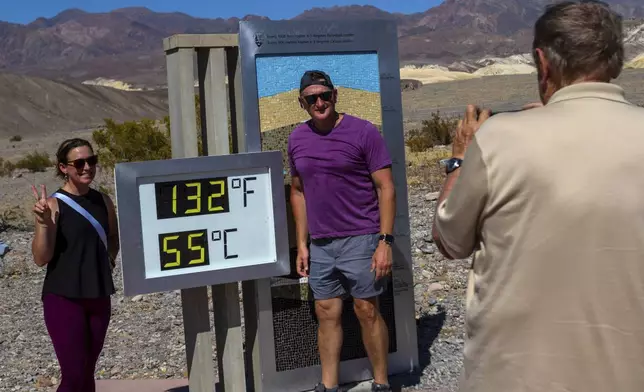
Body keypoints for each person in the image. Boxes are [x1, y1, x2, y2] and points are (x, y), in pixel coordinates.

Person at [431, 1, 644, 392]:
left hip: (513, 378)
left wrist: (459, 159)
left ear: (543, 63)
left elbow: (449, 240)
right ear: (616, 62)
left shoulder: (500, 139)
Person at [288, 70, 395, 392]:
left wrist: (384, 242)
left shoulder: (363, 132)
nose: (319, 102)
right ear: (302, 103)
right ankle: (329, 384)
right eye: (312, 98)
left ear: (335, 96)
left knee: (366, 309)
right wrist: (302, 244)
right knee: (325, 311)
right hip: (321, 243)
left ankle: (381, 382)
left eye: (325, 95)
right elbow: (297, 191)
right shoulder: (297, 138)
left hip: (361, 236)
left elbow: (386, 188)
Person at [31, 138, 119, 392]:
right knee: (73, 374)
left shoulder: (103, 201)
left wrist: (108, 261)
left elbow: (112, 237)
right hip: (63, 298)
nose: (87, 167)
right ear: (63, 168)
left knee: (87, 372)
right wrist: (45, 223)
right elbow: (41, 258)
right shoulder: (52, 205)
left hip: (99, 295)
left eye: (91, 161)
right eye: (79, 163)